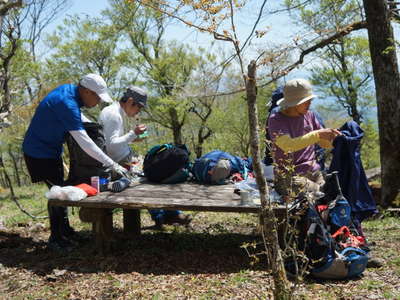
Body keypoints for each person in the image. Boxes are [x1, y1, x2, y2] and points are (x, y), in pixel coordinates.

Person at [22, 74, 131, 252]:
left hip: (51, 150)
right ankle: (56, 239)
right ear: (86, 91)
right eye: (96, 97)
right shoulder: (66, 102)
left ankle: (65, 231)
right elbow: (85, 143)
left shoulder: (69, 91)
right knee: (56, 194)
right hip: (38, 153)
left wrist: (93, 126)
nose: (97, 102)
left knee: (60, 189)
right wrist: (113, 164)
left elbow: (78, 117)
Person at [99, 86, 192, 229]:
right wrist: (133, 133)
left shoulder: (114, 112)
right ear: (130, 101)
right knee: (153, 177)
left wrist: (135, 137)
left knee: (156, 173)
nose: (138, 111)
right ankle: (166, 215)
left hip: (123, 160)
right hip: (118, 165)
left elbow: (115, 141)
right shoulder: (114, 115)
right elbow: (111, 145)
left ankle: (167, 215)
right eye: (139, 107)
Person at [267, 78, 341, 197]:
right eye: (306, 101)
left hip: (314, 172)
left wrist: (333, 138)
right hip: (289, 176)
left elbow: (323, 143)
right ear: (295, 103)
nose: (310, 103)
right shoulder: (276, 119)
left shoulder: (309, 115)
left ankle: (323, 191)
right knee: (322, 193)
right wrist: (318, 134)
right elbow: (288, 145)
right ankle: (322, 191)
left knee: (331, 192)